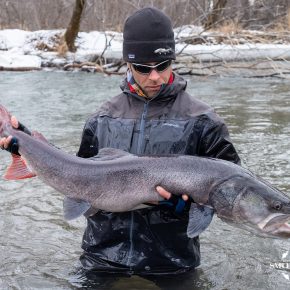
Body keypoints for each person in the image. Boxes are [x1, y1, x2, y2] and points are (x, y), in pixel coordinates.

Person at [1, 7, 240, 279]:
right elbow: (77, 173)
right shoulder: (102, 118)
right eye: (143, 68)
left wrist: (192, 207)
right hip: (100, 258)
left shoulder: (203, 121)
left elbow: (233, 192)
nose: (155, 77)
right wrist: (25, 141)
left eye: (162, 66)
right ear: (128, 63)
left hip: (171, 263)